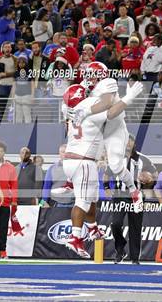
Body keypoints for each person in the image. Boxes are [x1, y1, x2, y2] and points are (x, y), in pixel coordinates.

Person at [63, 80, 143, 258]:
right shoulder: (89, 110)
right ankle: (74, 237)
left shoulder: (70, 113)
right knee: (83, 201)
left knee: (92, 197)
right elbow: (111, 112)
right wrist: (129, 97)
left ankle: (92, 229)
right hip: (83, 160)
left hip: (72, 159)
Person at [110, 134, 158, 264]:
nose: (127, 143)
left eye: (129, 141)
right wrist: (107, 188)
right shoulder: (116, 158)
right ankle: (120, 249)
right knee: (116, 224)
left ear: (134, 143)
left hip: (136, 196)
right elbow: (107, 173)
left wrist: (149, 181)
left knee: (135, 227)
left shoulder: (143, 159)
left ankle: (135, 258)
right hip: (120, 196)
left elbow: (154, 175)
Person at [0, 141, 18, 259]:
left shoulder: (11, 167)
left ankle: (3, 251)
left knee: (3, 228)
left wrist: (14, 200)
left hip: (5, 203)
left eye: (1, 151)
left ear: (4, 153)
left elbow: (14, 185)